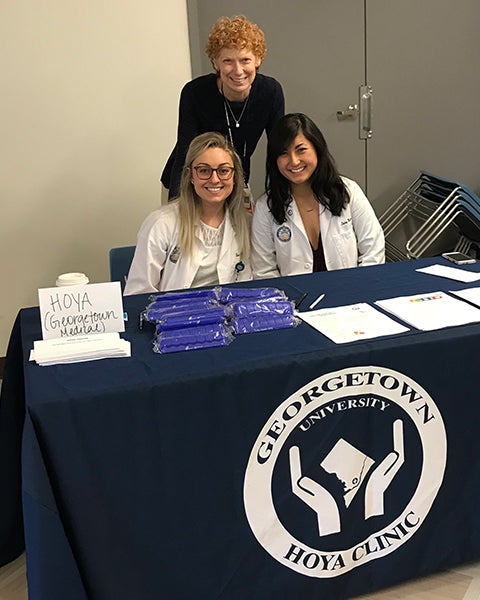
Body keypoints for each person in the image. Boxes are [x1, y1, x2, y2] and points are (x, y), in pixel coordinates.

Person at [161, 15, 285, 201]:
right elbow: (185, 152)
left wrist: (282, 197)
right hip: (190, 180)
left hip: (233, 180)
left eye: (245, 60)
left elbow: (278, 150)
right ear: (215, 63)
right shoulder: (194, 92)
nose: (238, 70)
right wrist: (177, 205)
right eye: (228, 61)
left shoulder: (270, 92)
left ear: (258, 59)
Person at [251, 113, 385, 279]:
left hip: (351, 294)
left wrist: (357, 289)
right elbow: (263, 270)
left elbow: (373, 248)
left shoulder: (348, 191)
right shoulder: (266, 207)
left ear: (317, 148)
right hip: (294, 300)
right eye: (284, 153)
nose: (293, 161)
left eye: (301, 150)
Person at [124, 132, 252, 295]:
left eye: (223, 170)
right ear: (190, 176)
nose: (214, 179)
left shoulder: (247, 223)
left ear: (234, 176)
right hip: (173, 316)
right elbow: (138, 294)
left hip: (229, 315)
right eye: (204, 170)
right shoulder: (161, 223)